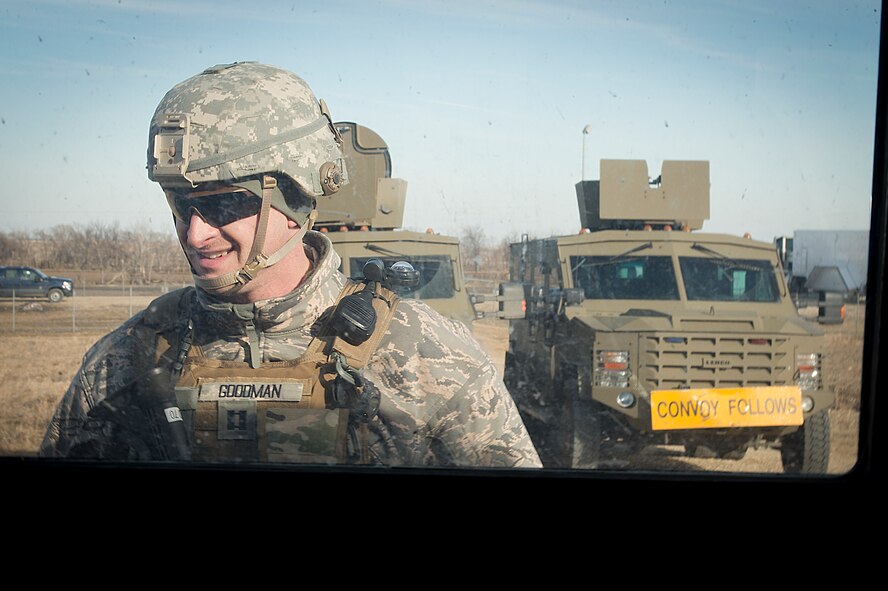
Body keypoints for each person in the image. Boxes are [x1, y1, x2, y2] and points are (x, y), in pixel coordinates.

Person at [38, 61, 542, 469]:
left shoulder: (429, 355)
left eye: (222, 204)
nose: (195, 234)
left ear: (298, 196)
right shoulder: (125, 361)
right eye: (180, 204)